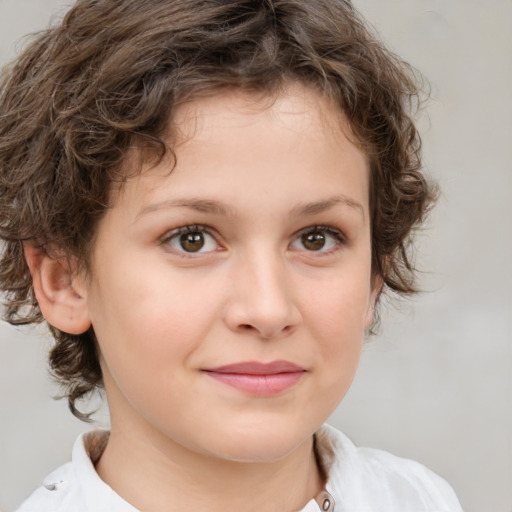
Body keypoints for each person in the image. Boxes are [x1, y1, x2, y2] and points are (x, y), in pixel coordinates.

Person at [0, 0, 462, 510]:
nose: (267, 310)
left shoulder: (423, 499)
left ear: (376, 273)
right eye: (191, 239)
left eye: (316, 238)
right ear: (64, 279)